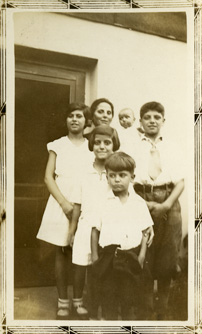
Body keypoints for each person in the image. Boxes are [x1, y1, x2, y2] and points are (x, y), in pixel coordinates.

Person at [36, 102, 93, 320]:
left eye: (79, 116)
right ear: (66, 120)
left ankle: (78, 300)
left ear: (86, 121)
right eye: (71, 116)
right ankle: (62, 301)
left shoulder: (91, 146)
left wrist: (81, 206)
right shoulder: (57, 145)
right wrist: (64, 203)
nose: (75, 119)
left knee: (79, 252)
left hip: (85, 203)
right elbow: (48, 177)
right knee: (61, 252)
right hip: (61, 201)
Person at [133, 101, 185, 320]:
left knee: (168, 253)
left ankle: (162, 308)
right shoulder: (133, 146)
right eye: (147, 117)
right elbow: (127, 179)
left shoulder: (172, 146)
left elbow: (180, 182)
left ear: (163, 121)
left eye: (156, 117)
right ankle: (145, 308)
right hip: (140, 197)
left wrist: (165, 205)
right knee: (144, 252)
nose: (152, 121)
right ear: (141, 121)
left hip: (169, 199)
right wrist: (142, 204)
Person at [91, 152, 154, 320]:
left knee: (129, 297)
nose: (117, 179)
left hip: (131, 256)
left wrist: (141, 256)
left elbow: (145, 232)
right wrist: (96, 257)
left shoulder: (139, 203)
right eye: (112, 176)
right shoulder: (102, 202)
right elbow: (95, 230)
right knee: (109, 296)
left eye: (122, 175)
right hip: (109, 257)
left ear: (132, 177)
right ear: (107, 178)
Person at [70, 125, 120, 320]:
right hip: (86, 225)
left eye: (107, 143)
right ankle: (81, 304)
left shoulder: (116, 171)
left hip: (108, 228)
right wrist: (72, 230)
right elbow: (77, 203)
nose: (101, 146)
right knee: (82, 265)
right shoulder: (83, 172)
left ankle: (104, 308)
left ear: (113, 145)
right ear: (92, 145)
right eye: (97, 142)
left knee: (104, 269)